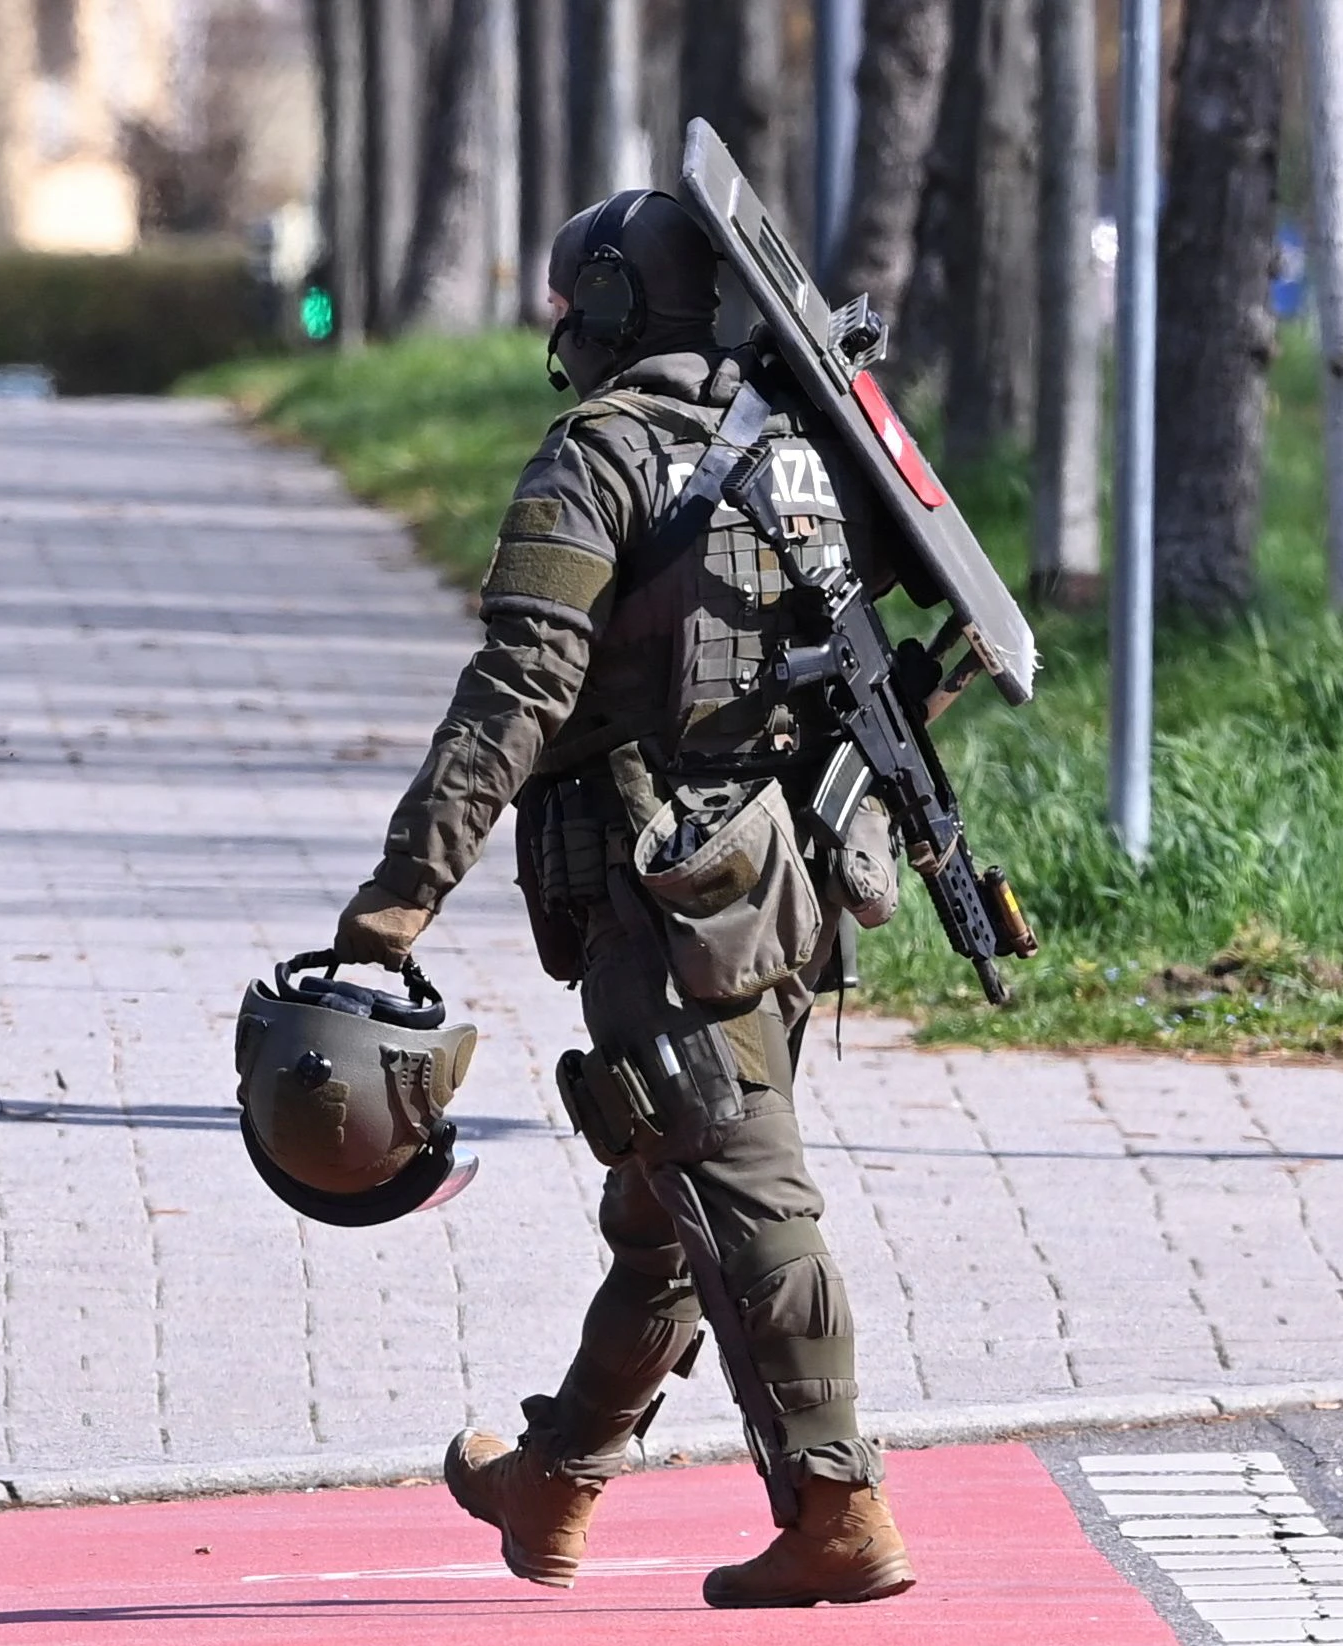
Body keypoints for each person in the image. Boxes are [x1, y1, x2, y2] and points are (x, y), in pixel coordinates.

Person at [332, 187, 916, 1610]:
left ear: (597, 310)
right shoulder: (792, 445)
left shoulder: (597, 456)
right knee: (665, 1201)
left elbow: (520, 687)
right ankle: (559, 1474)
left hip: (657, 885)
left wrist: (395, 901)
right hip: (785, 868)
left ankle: (837, 1502)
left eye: (563, 308)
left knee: (736, 1180)